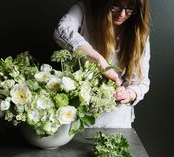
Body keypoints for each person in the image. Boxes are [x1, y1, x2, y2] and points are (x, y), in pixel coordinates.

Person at [54, 0, 151, 128]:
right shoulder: (84, 9)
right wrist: (99, 61)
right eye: (116, 5)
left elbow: (141, 83)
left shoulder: (138, 33)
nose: (122, 14)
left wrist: (128, 94)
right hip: (79, 117)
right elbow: (62, 30)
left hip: (116, 120)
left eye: (129, 9)